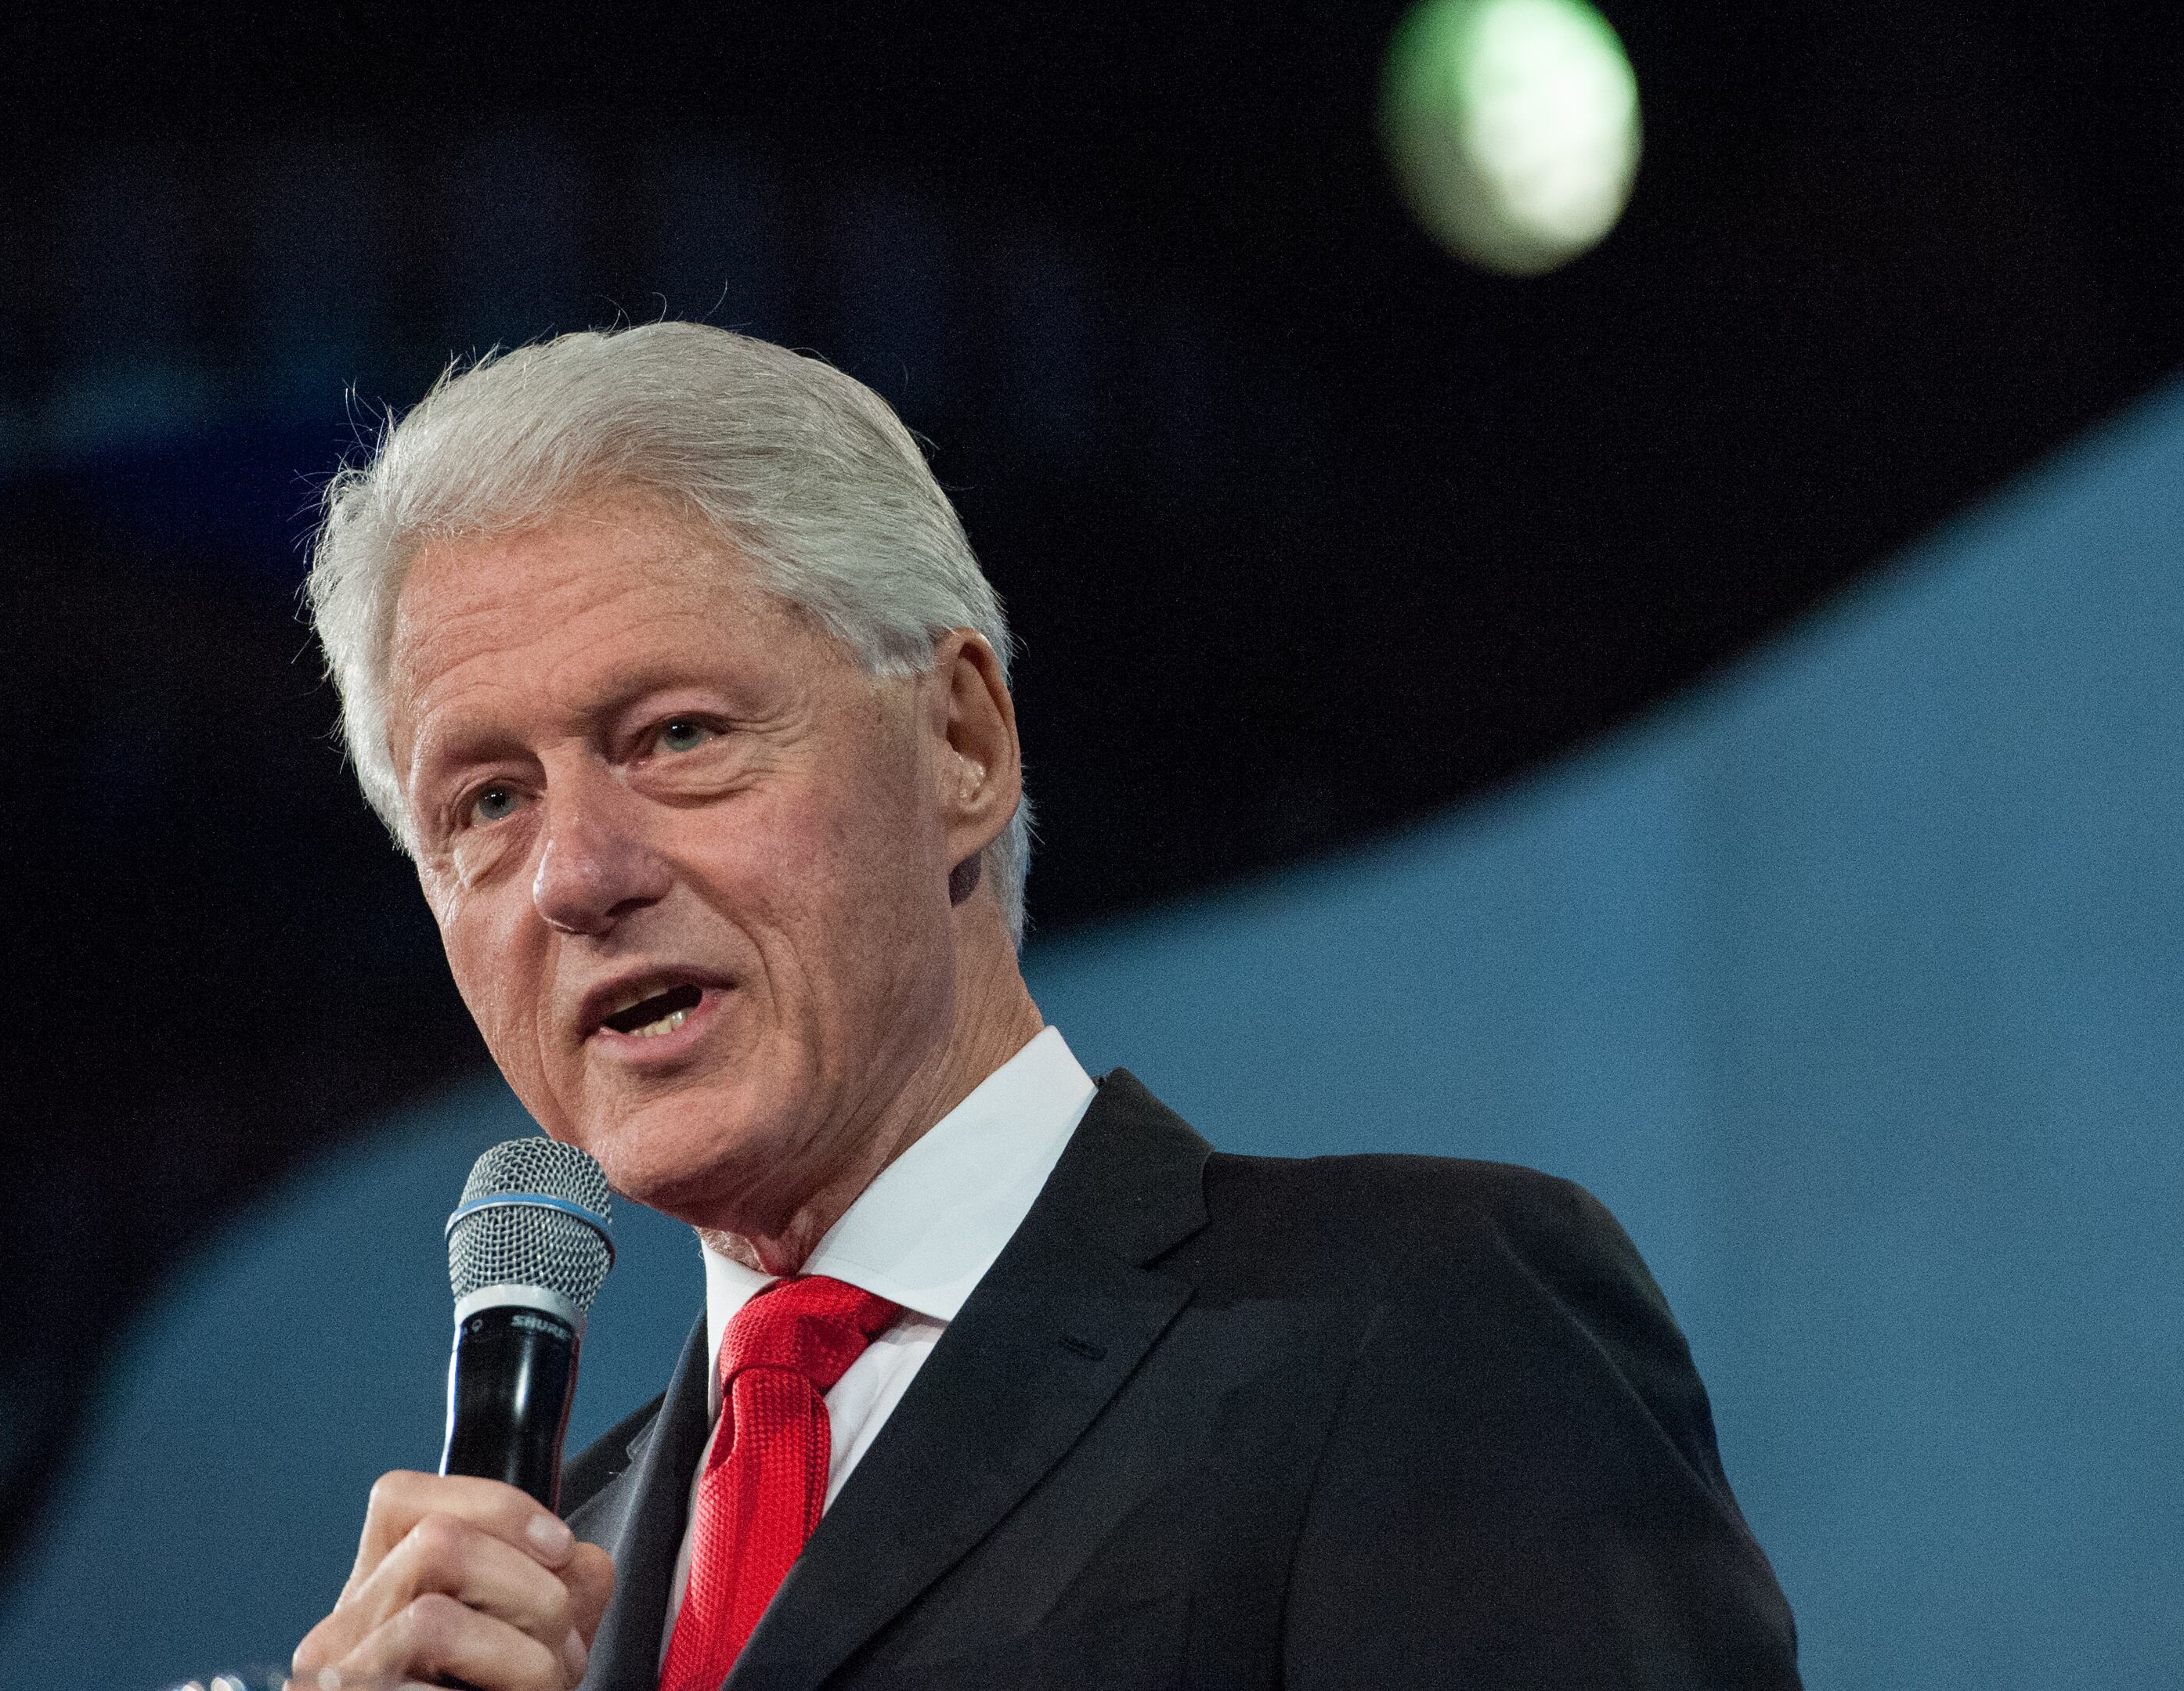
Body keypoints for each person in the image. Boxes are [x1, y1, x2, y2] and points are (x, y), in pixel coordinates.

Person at [288, 322, 1797, 1690]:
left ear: (960, 744)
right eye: (486, 801)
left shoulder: (1415, 1330)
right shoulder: (554, 1585)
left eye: (676, 734)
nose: (574, 873)